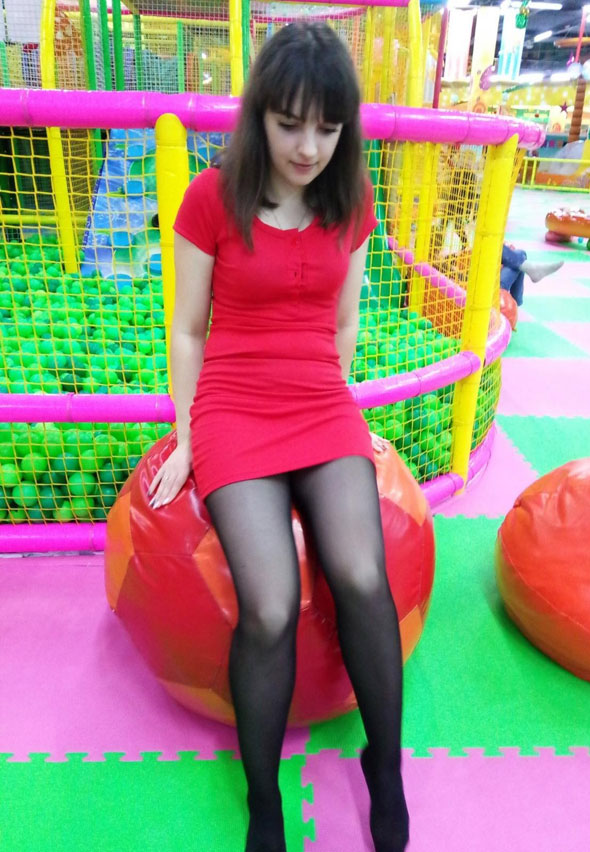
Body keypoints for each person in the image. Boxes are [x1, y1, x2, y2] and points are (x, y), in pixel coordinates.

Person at [147, 22, 409, 852]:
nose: (308, 147)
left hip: (318, 402)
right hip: (233, 406)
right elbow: (188, 330)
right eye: (291, 124)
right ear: (259, 113)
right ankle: (264, 799)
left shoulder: (350, 198)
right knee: (267, 608)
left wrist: (339, 407)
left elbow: (344, 321)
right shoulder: (211, 197)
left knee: (362, 577)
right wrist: (188, 437)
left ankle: (385, 766)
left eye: (327, 128)